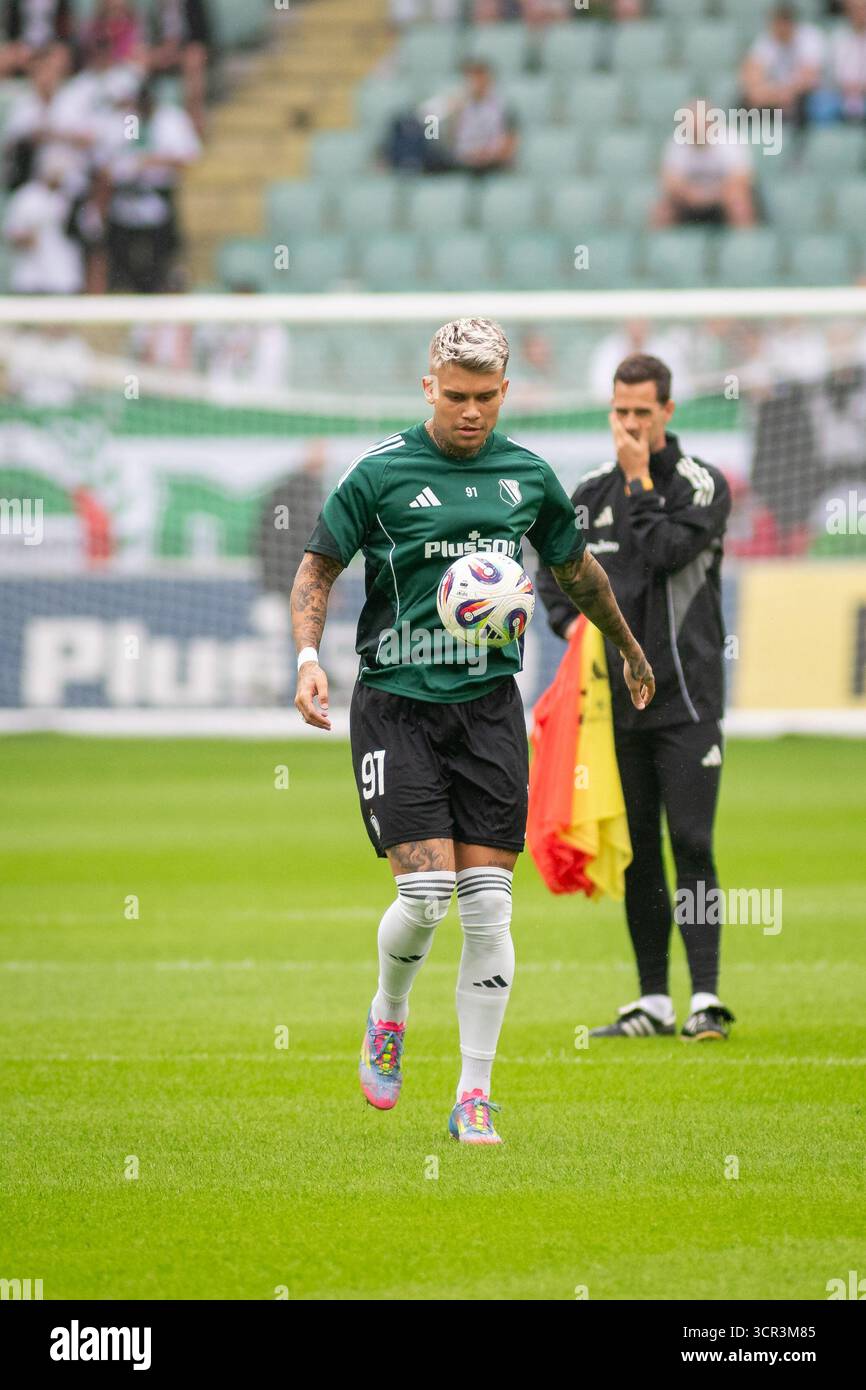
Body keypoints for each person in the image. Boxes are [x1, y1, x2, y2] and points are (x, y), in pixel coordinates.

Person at [291, 318, 654, 1143]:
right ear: (429, 387)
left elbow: (576, 570)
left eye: (486, 398)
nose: (470, 413)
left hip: (490, 708)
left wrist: (628, 647)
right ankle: (388, 1013)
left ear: (505, 393)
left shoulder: (525, 475)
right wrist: (308, 656)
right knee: (423, 899)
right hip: (395, 704)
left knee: (489, 910)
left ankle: (473, 1096)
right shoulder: (379, 475)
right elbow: (317, 567)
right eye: (456, 396)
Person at [535, 353, 735, 1042]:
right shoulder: (586, 494)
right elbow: (551, 576)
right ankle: (653, 1001)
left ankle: (705, 997)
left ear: (668, 412)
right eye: (620, 413)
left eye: (642, 414)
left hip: (688, 696)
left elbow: (660, 553)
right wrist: (571, 631)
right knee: (640, 850)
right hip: (611, 708)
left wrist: (639, 480)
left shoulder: (702, 486)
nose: (628, 424)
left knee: (692, 839)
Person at [653, 100, 755, 228]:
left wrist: (712, 195)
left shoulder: (730, 139)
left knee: (740, 204)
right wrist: (693, 195)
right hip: (689, 200)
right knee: (663, 209)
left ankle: (744, 245)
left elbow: (742, 178)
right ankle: (666, 246)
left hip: (722, 198)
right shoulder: (676, 142)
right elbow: (670, 182)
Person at [739, 3, 825, 130]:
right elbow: (751, 76)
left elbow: (808, 79)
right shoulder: (766, 39)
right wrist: (774, 95)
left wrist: (784, 93)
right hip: (775, 95)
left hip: (804, 97)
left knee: (802, 101)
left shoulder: (810, 37)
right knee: (743, 103)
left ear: (791, 23)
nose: (777, 29)